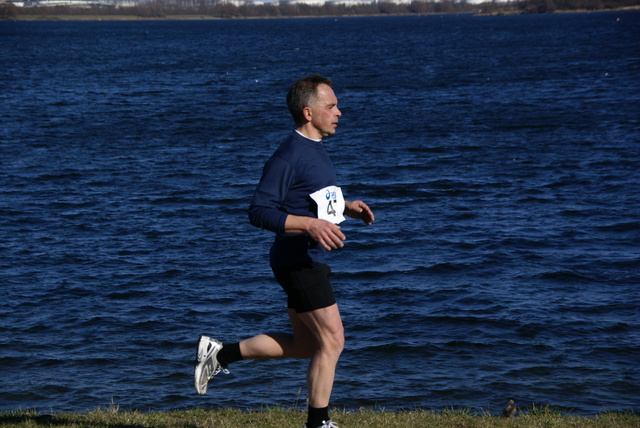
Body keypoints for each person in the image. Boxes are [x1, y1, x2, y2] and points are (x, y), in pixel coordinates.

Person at [194, 74, 374, 428]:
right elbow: (259, 211)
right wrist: (309, 226)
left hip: (305, 259)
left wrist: (344, 208)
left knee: (308, 345)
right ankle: (317, 423)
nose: (339, 111)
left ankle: (221, 353)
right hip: (298, 261)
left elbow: (310, 200)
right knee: (334, 341)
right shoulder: (288, 156)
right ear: (309, 112)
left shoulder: (316, 150)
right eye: (331, 106)